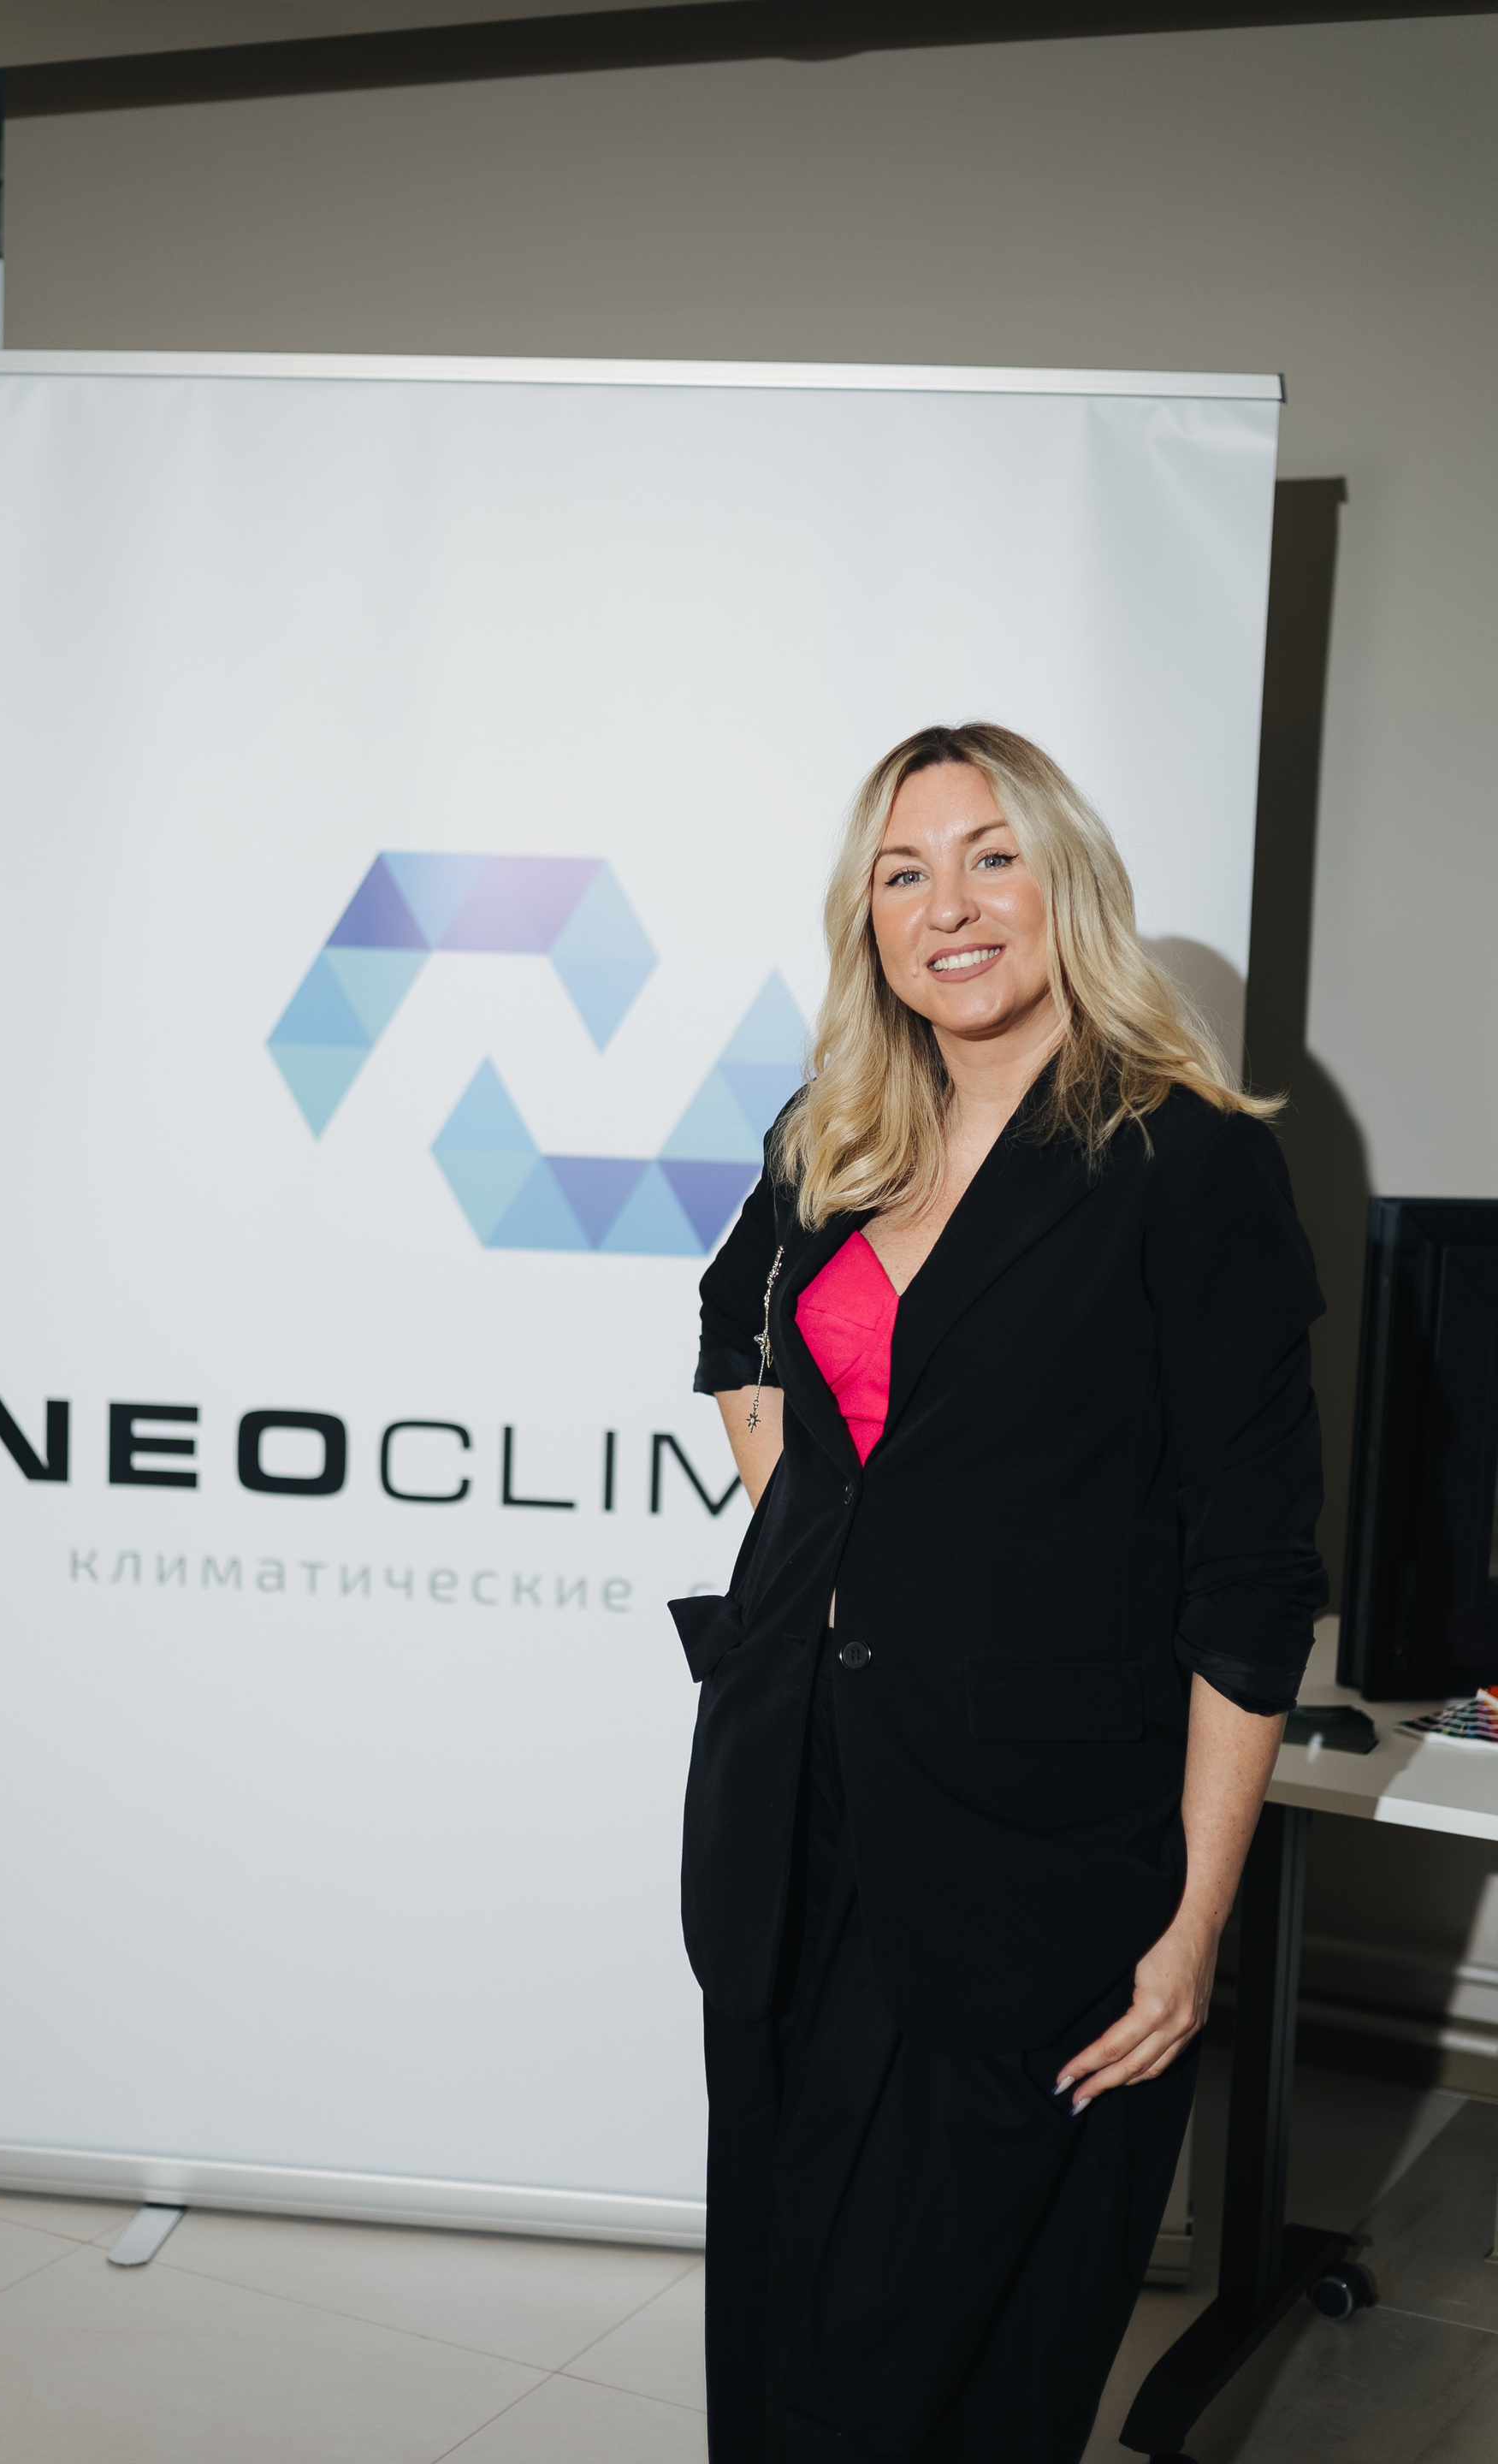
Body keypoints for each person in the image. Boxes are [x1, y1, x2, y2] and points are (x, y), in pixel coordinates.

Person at [670, 722, 1326, 2464]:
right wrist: (827, 1546)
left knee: (931, 2370)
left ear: (1066, 884)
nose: (946, 907)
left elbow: (1255, 1573)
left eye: (989, 858)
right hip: (792, 1809)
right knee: (779, 2334)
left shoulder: (1186, 1163)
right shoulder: (837, 1133)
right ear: (867, 919)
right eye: (904, 872)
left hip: (1032, 1858)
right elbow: (737, 1319)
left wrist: (1194, 1924)